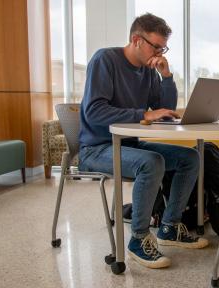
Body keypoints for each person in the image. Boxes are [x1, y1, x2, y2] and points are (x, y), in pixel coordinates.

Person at [79, 13, 208, 269]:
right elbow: (94, 112)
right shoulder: (105, 60)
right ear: (137, 40)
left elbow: (165, 109)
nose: (160, 52)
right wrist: (144, 114)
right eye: (157, 46)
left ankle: (169, 227)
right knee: (151, 162)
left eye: (163, 47)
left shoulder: (148, 70)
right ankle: (138, 240)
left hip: (128, 145)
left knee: (190, 157)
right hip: (96, 148)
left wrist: (166, 77)